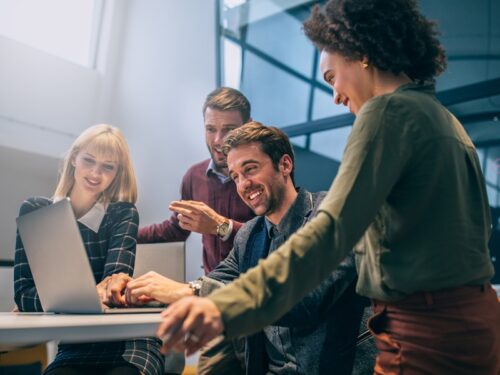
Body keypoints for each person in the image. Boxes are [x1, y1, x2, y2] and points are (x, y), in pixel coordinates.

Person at [156, 1, 500, 374]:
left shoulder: (386, 113)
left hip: (423, 330)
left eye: (331, 77)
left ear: (361, 54)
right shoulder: (445, 120)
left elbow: (330, 233)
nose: (335, 95)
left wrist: (224, 305)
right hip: (474, 323)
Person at [126, 122, 374, 374]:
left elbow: (306, 301)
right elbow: (217, 281)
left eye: (251, 169)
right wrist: (142, 290)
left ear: (285, 165)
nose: (244, 184)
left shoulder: (330, 213)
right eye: (235, 176)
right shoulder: (249, 235)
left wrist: (192, 293)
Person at [14, 124, 164, 375]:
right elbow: (23, 295)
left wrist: (55, 301)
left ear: (117, 173)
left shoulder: (122, 213)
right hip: (76, 343)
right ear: (74, 158)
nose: (96, 173)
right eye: (89, 160)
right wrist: (89, 295)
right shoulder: (36, 211)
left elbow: (113, 288)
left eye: (108, 166)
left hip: (128, 341)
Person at [138, 87, 255, 274]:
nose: (218, 140)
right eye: (210, 129)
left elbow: (273, 235)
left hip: (256, 292)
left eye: (229, 130)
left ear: (248, 126)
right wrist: (124, 234)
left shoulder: (262, 175)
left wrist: (220, 226)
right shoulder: (194, 176)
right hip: (210, 290)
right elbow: (175, 230)